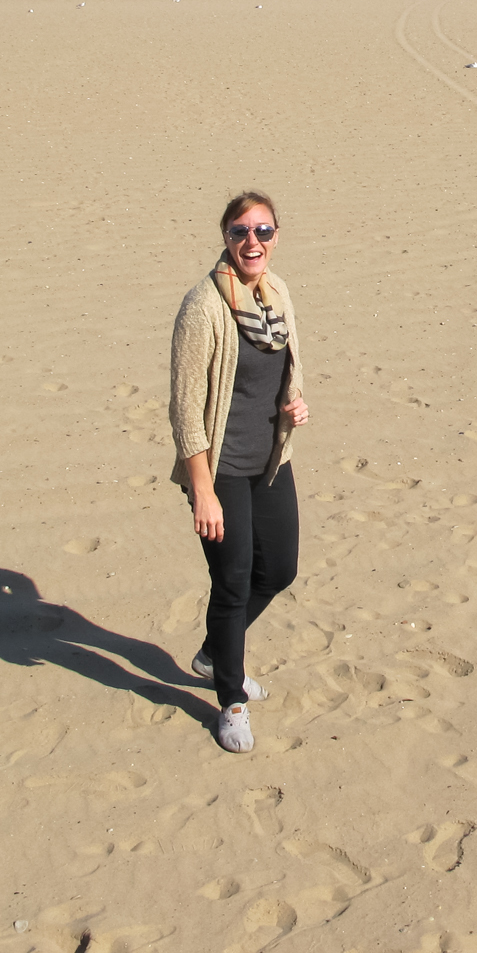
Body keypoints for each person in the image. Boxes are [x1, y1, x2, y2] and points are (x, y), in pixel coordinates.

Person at [168, 190, 309, 752]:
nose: (253, 242)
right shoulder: (203, 306)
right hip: (220, 467)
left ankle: (213, 653)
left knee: (278, 570)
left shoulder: (278, 293)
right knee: (231, 584)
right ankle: (229, 698)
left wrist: (294, 405)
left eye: (263, 231)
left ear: (276, 236)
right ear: (225, 238)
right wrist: (202, 491)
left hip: (271, 461)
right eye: (240, 232)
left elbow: (287, 368)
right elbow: (184, 407)